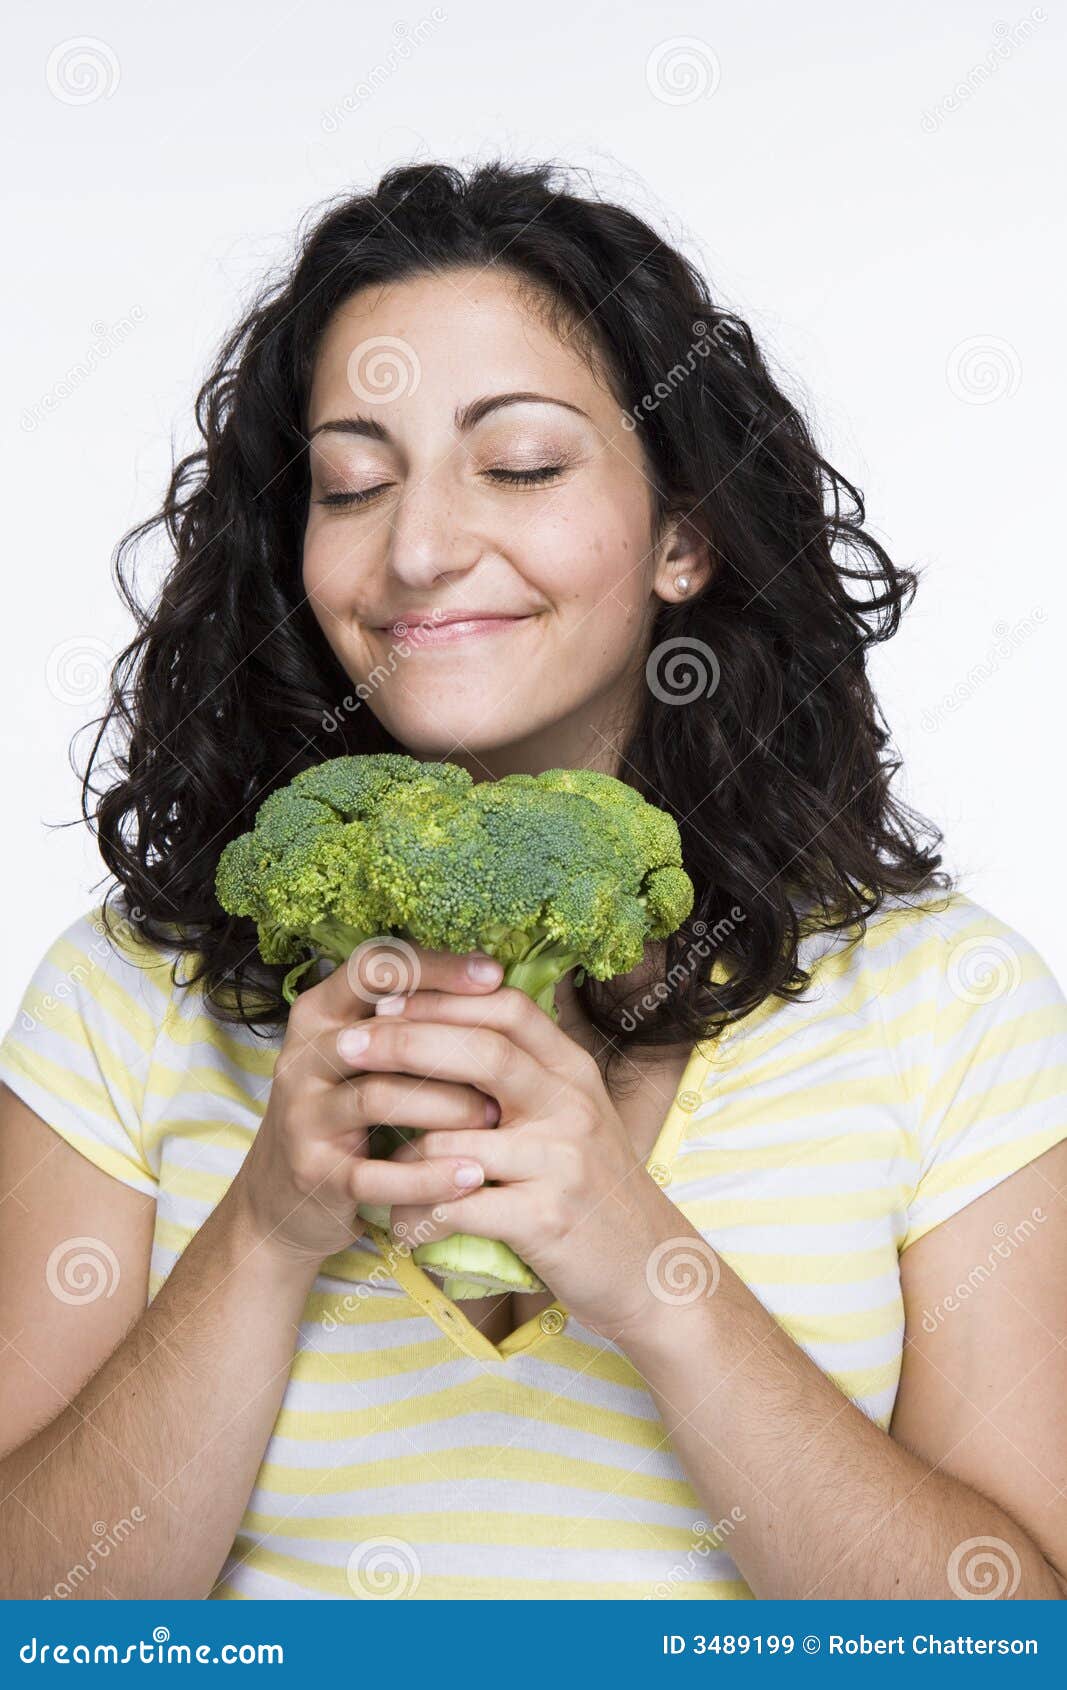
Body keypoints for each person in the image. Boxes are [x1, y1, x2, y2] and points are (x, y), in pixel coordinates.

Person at [1, 160, 1064, 1603]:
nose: (422, 549)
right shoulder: (131, 997)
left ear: (684, 536)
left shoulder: (950, 1001)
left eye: (521, 465)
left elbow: (1008, 1632)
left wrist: (653, 1274)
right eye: (354, 482)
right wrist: (264, 1231)